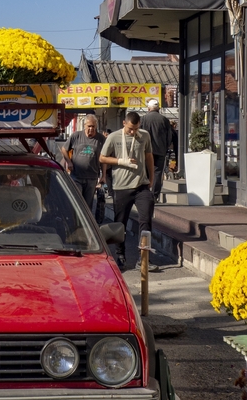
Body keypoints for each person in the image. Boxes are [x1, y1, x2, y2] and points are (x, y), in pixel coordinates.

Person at [100, 111, 156, 271]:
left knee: (145, 220)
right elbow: (102, 158)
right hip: (121, 187)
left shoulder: (144, 136)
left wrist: (151, 179)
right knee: (120, 224)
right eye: (131, 129)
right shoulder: (114, 137)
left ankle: (143, 258)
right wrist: (121, 161)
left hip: (141, 186)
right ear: (124, 123)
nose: (133, 132)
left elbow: (149, 157)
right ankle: (120, 255)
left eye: (136, 129)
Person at [60, 115, 104, 214]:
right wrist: (69, 162)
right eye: (89, 126)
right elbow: (64, 149)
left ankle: (85, 223)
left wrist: (104, 175)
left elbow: (103, 158)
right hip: (76, 176)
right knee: (77, 203)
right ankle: (75, 221)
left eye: (93, 126)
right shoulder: (76, 136)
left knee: (87, 206)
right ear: (84, 125)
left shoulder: (101, 139)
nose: (91, 128)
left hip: (92, 177)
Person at [140, 99, 174, 203]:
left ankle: (145, 194)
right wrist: (165, 146)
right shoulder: (164, 120)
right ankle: (154, 196)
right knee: (157, 173)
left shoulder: (143, 119)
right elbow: (169, 136)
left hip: (146, 151)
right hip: (160, 150)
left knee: (145, 172)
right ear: (158, 108)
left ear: (148, 109)